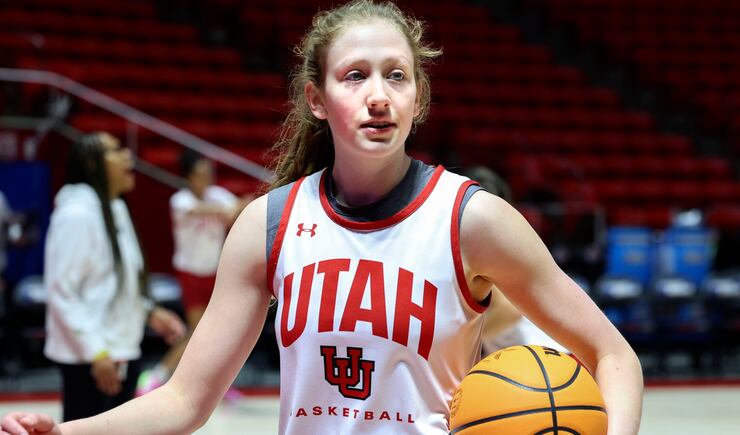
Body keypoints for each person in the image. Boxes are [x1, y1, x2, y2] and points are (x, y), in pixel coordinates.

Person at [0, 2, 643, 434]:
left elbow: (613, 355)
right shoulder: (268, 224)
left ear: (418, 98)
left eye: (397, 77)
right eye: (355, 76)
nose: (378, 96)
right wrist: (65, 433)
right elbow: (185, 400)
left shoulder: (472, 219)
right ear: (316, 98)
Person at [39, 131, 186, 422]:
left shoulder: (115, 207)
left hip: (121, 348)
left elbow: (116, 281)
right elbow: (62, 292)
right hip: (92, 359)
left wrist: (148, 311)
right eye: (116, 150)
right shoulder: (76, 214)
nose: (127, 156)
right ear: (92, 164)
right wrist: (96, 353)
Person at [136, 149, 249, 397]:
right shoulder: (180, 200)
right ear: (189, 177)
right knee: (198, 332)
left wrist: (236, 207)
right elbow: (204, 211)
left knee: (218, 332)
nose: (207, 178)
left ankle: (216, 384)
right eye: (201, 174)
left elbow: (243, 207)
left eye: (209, 173)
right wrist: (229, 209)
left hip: (216, 273)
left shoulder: (217, 195)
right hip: (191, 275)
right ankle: (156, 374)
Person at [461, 166, 568, 354]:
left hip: (544, 358)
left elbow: (508, 311)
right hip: (536, 356)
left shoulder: (491, 248)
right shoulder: (503, 241)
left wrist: (458, 342)